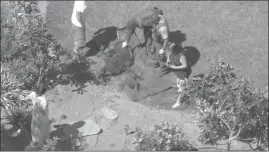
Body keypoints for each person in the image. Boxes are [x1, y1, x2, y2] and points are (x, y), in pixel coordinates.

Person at [166, 43, 189, 108]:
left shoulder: (181, 56)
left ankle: (178, 102)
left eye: (170, 50)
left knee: (181, 89)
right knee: (179, 84)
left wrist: (175, 68)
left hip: (182, 74)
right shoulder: (170, 53)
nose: (169, 52)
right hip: (177, 74)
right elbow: (168, 59)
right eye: (169, 50)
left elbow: (185, 65)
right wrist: (167, 63)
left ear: (175, 50)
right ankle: (181, 87)